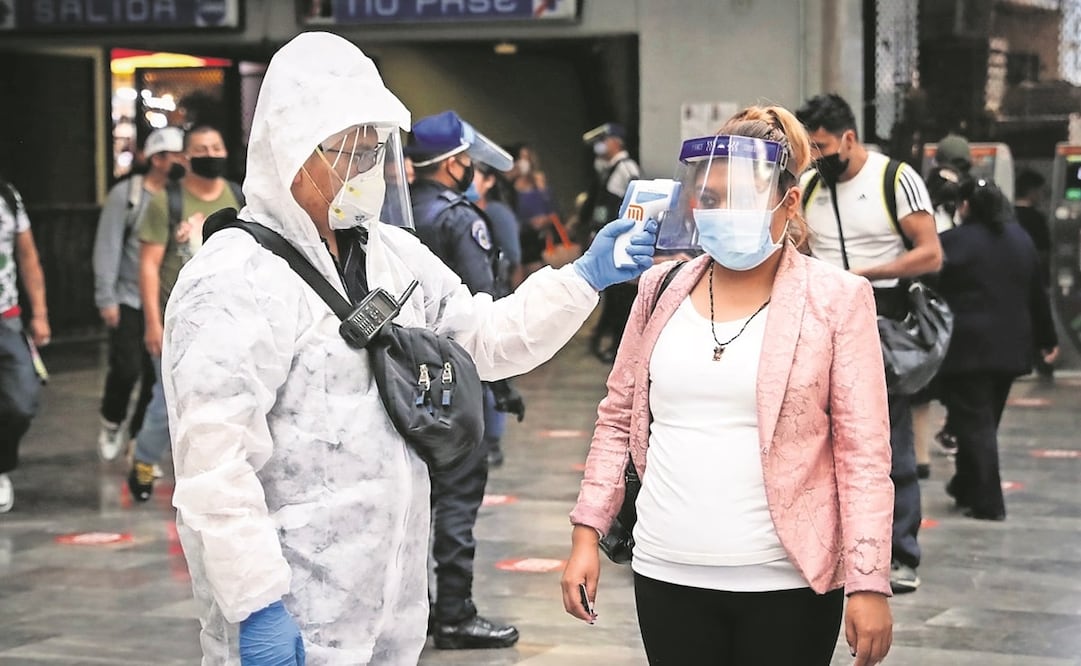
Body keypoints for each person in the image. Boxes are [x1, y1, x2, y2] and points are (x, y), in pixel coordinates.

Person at [161, 32, 656, 665]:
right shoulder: (233, 279)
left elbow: (485, 339)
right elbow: (214, 465)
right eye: (350, 151)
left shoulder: (390, 256)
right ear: (292, 152)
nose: (366, 170)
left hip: (392, 608)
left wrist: (583, 278)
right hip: (293, 609)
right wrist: (256, 604)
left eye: (374, 149)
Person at [562, 106, 894, 666]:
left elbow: (863, 452)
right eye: (711, 198)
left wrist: (868, 580)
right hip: (666, 569)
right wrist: (585, 534)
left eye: (742, 196)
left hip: (785, 579)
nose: (722, 212)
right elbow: (618, 419)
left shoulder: (837, 299)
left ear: (789, 203)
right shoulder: (659, 289)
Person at [797, 93, 942, 594]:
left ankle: (900, 553)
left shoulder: (894, 179)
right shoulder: (809, 186)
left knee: (885, 437)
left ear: (849, 138)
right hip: (823, 313)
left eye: (822, 147)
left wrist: (865, 273)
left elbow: (930, 254)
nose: (817, 158)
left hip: (883, 311)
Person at [407, 110, 528, 649]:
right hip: (456, 379)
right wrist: (502, 386)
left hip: (401, 377)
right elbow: (483, 310)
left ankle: (412, 610)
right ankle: (455, 613)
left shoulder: (393, 214)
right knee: (457, 497)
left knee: (412, 500)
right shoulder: (460, 219)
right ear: (454, 164)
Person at [127, 125, 242, 502]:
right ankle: (144, 458)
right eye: (201, 149)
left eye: (216, 146)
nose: (211, 154)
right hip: (180, 322)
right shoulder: (167, 201)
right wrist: (153, 323)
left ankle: (213, 471)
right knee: (168, 399)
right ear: (186, 157)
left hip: (227, 319)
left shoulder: (238, 197)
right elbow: (148, 266)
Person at [937, 178, 1058, 520]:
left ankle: (989, 503)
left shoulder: (952, 241)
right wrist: (1047, 339)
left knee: (975, 425)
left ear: (965, 205)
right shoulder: (1021, 240)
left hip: (967, 348)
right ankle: (965, 486)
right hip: (1012, 349)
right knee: (982, 422)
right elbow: (1037, 293)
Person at [92, 127, 186, 462]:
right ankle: (112, 419)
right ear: (154, 159)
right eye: (169, 155)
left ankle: (137, 439)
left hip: (166, 301)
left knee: (156, 379)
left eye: (180, 154)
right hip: (129, 297)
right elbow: (107, 246)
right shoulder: (128, 194)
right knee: (127, 367)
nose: (176, 161)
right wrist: (106, 297)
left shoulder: (180, 195)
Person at [0, 177, 50, 513]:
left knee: (22, 402)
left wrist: (40, 313)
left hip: (7, 317)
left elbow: (28, 254)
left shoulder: (8, 197)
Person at [580, 122, 642, 362]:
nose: (601, 145)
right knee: (611, 295)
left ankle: (618, 346)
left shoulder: (626, 168)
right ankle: (610, 342)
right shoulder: (606, 168)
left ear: (617, 142)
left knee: (620, 296)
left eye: (605, 140)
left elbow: (632, 204)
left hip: (618, 239)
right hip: (604, 237)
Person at [1014, 169, 1054, 380]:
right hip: (1034, 278)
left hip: (1012, 279)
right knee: (1036, 317)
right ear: (1031, 191)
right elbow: (1044, 251)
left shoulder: (1008, 216)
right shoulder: (1036, 218)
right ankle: (1040, 358)